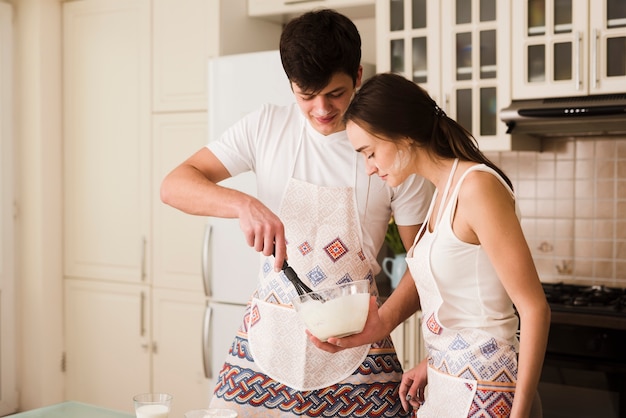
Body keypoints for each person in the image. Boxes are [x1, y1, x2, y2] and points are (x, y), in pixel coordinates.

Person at [160, 10, 434, 417]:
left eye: (335, 93)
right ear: (291, 84)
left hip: (357, 348)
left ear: (358, 75)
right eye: (307, 95)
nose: (321, 109)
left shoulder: (390, 149)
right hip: (268, 343)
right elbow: (174, 184)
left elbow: (425, 261)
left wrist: (384, 320)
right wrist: (243, 203)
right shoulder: (266, 127)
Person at [325, 72, 550, 417]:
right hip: (452, 386)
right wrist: (434, 363)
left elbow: (534, 309)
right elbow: (464, 309)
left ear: (402, 134)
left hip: (486, 392)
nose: (369, 168)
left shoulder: (475, 188)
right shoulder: (442, 193)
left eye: (370, 152)